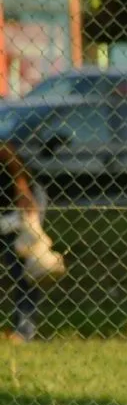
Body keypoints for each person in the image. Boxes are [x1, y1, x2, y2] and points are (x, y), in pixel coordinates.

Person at [0, 144, 42, 342]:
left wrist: (21, 185)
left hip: (17, 205)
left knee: (21, 268)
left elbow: (7, 152)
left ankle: (24, 330)